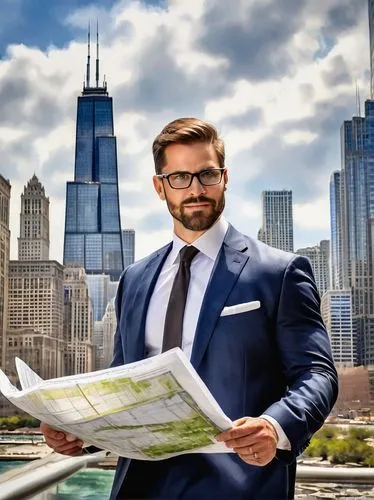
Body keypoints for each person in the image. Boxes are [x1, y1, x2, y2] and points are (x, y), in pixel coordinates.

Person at [41, 117, 338, 499]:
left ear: (225, 177)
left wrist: (275, 426)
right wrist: (79, 432)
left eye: (207, 175)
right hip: (140, 487)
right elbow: (122, 385)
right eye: (180, 177)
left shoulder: (279, 273)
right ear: (159, 187)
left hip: (240, 486)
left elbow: (317, 374)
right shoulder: (135, 280)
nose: (196, 189)